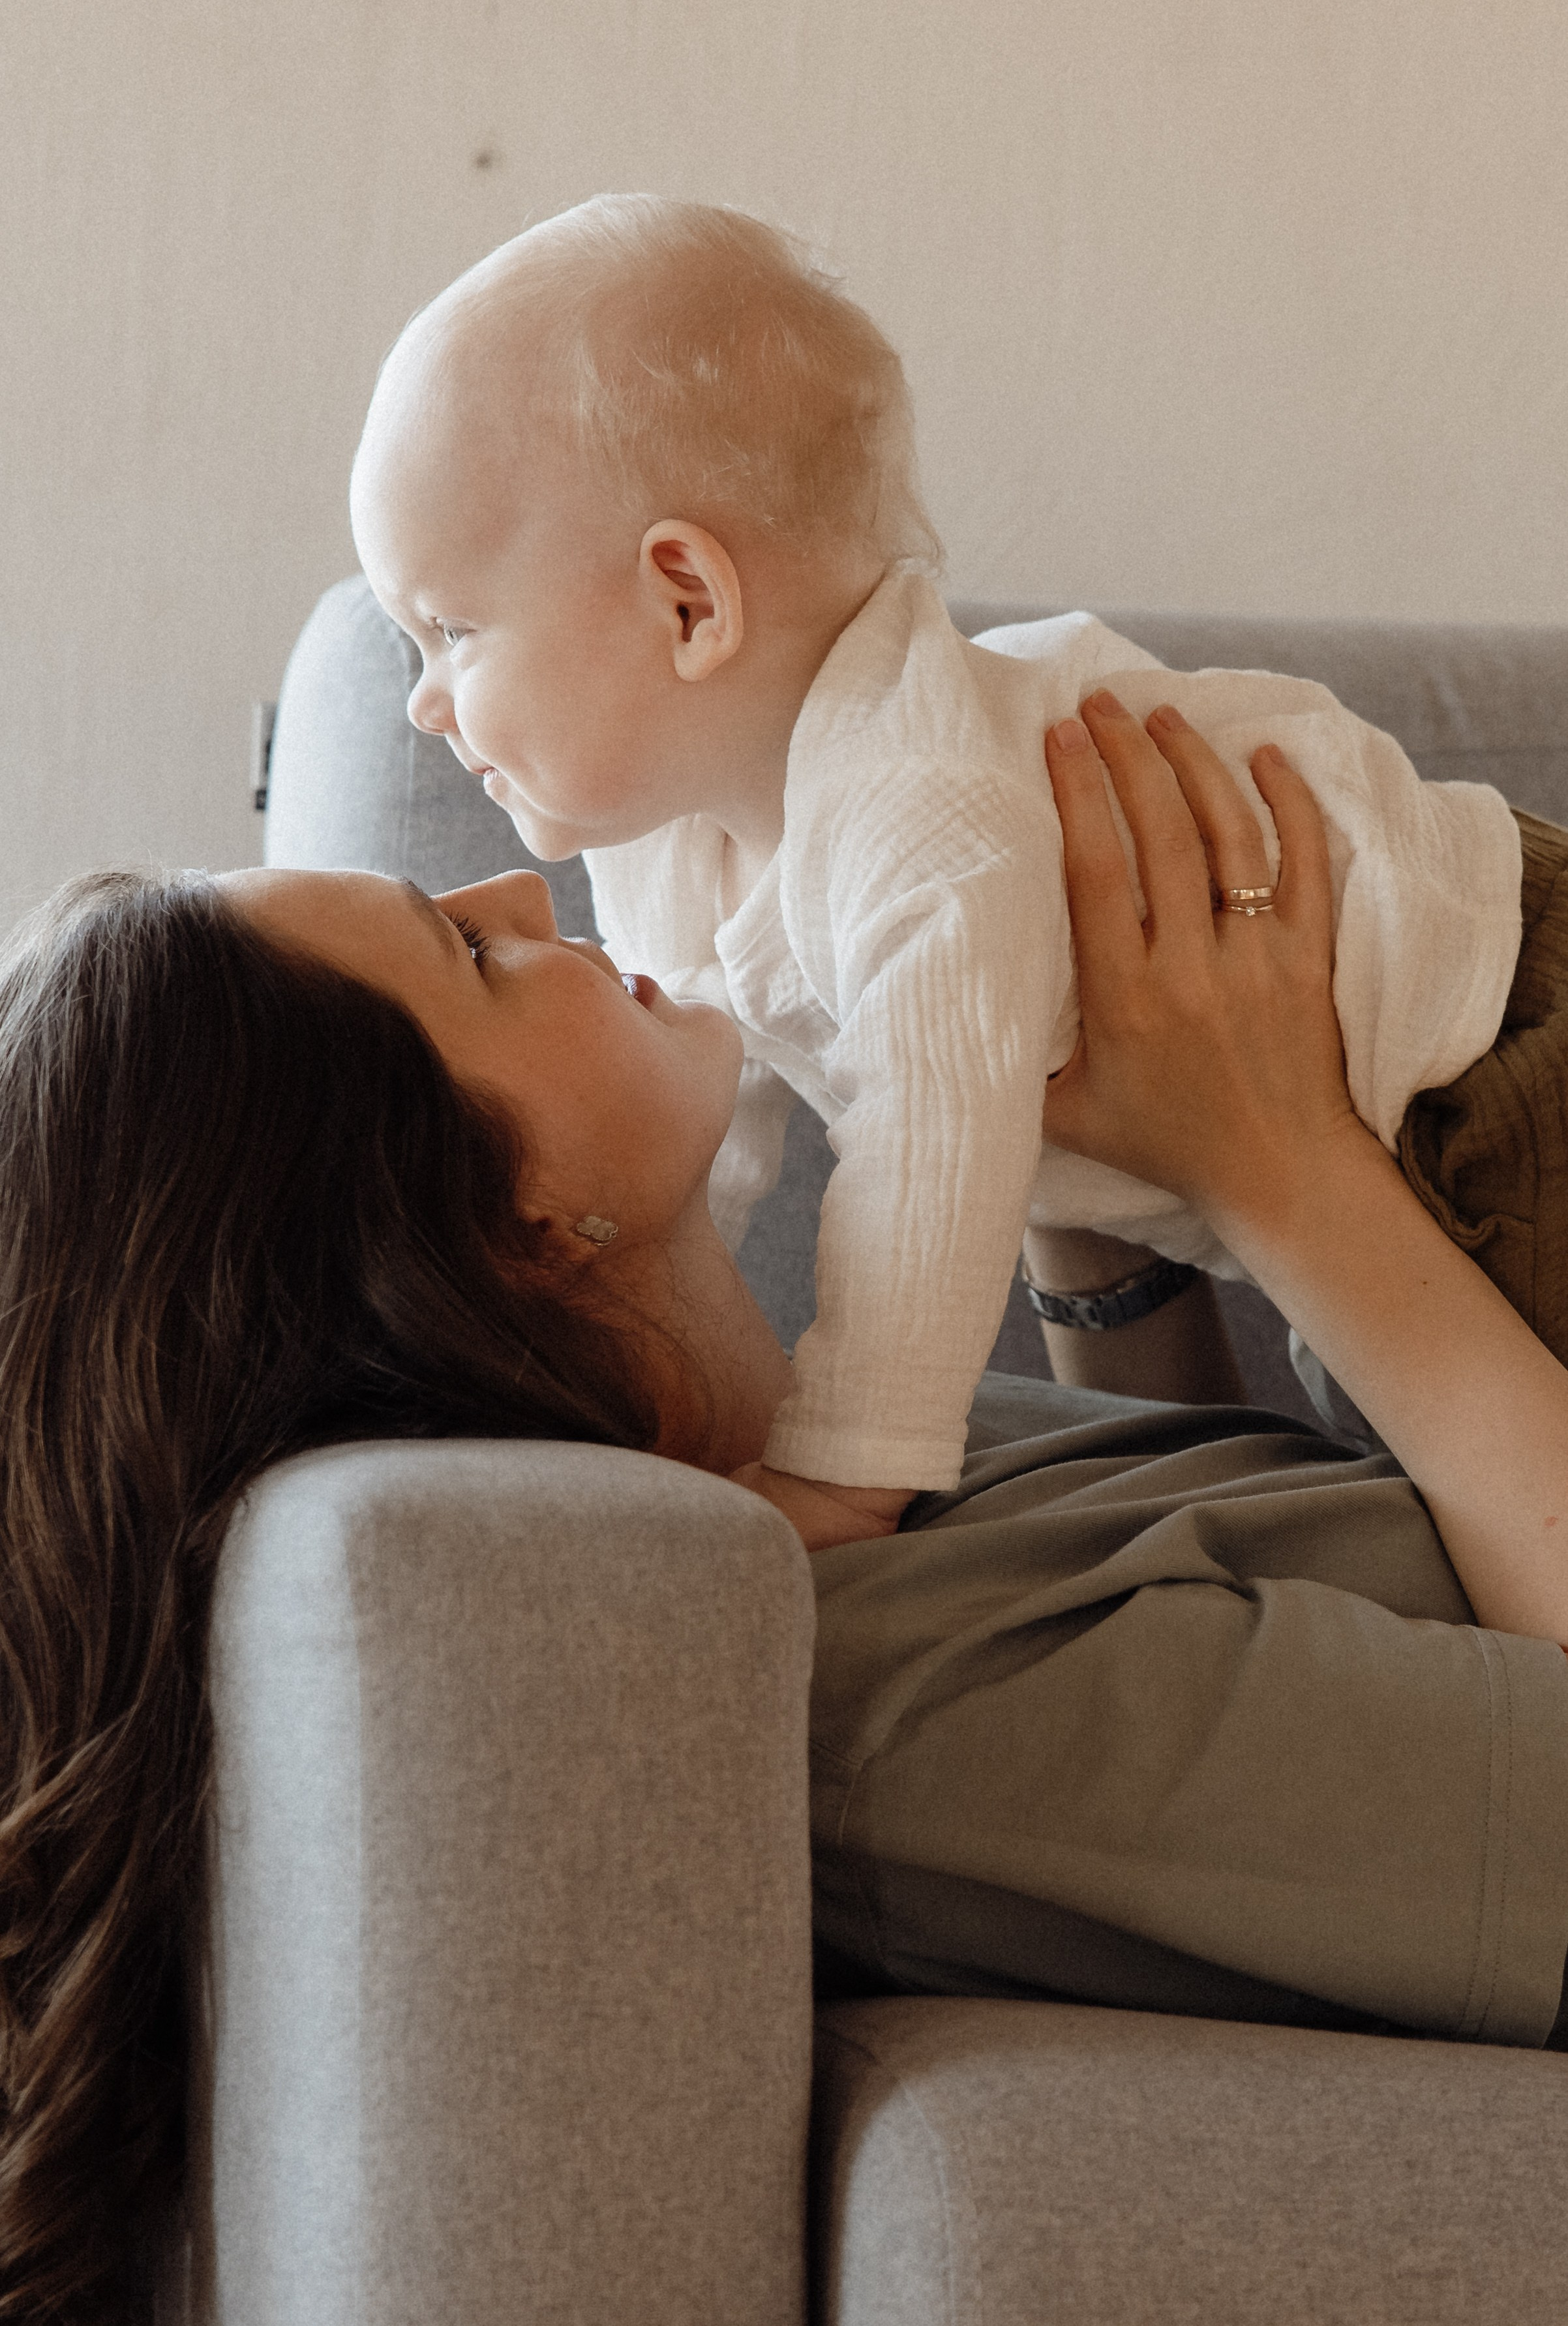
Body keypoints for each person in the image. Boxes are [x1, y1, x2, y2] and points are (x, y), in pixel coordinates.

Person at [1, 716, 1566, 2316]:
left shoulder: (806, 1479)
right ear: (504, 1217)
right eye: (465, 956)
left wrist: (1090, 1212)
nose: (527, 898)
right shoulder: (881, 1700)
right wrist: (1276, 1161)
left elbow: (1244, 1564)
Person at [346, 191, 1556, 1553]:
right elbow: (703, 1163)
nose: (424, 706)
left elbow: (923, 1169)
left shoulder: (919, 815)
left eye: (447, 632)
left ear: (689, 602)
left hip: (1506, 1042)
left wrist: (841, 1476)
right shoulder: (673, 843)